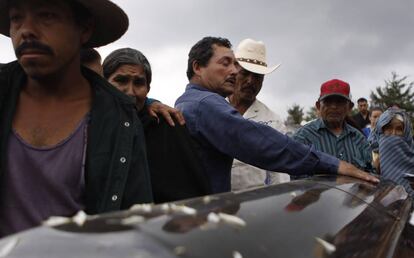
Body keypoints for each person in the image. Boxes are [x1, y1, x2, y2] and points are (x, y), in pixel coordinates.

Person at [0, 0, 154, 237]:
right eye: (16, 18)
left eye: (46, 15)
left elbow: (135, 221)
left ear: (84, 29)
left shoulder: (119, 118)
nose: (26, 30)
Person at [175, 36, 378, 194]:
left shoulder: (186, 103)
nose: (236, 73)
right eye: (227, 64)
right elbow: (260, 143)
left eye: (257, 76)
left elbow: (279, 179)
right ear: (197, 67)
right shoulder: (206, 105)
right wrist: (334, 164)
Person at [102, 48, 211, 203]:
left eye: (139, 83)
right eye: (121, 80)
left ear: (148, 89)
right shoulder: (90, 127)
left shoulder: (167, 126)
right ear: (104, 83)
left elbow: (192, 197)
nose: (130, 92)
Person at [228, 38, 289, 190]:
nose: (250, 81)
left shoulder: (273, 120)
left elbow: (279, 173)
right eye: (245, 73)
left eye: (257, 76)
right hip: (217, 202)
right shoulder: (213, 108)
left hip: (258, 202)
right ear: (234, 73)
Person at [293, 79, 373, 172]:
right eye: (328, 102)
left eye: (339, 102)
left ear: (349, 107)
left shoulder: (359, 139)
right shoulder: (303, 137)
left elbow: (370, 174)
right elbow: (297, 178)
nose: (334, 107)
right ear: (318, 106)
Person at [368, 108, 414, 197]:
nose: (393, 133)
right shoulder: (369, 156)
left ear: (406, 133)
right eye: (388, 128)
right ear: (381, 131)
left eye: (399, 129)